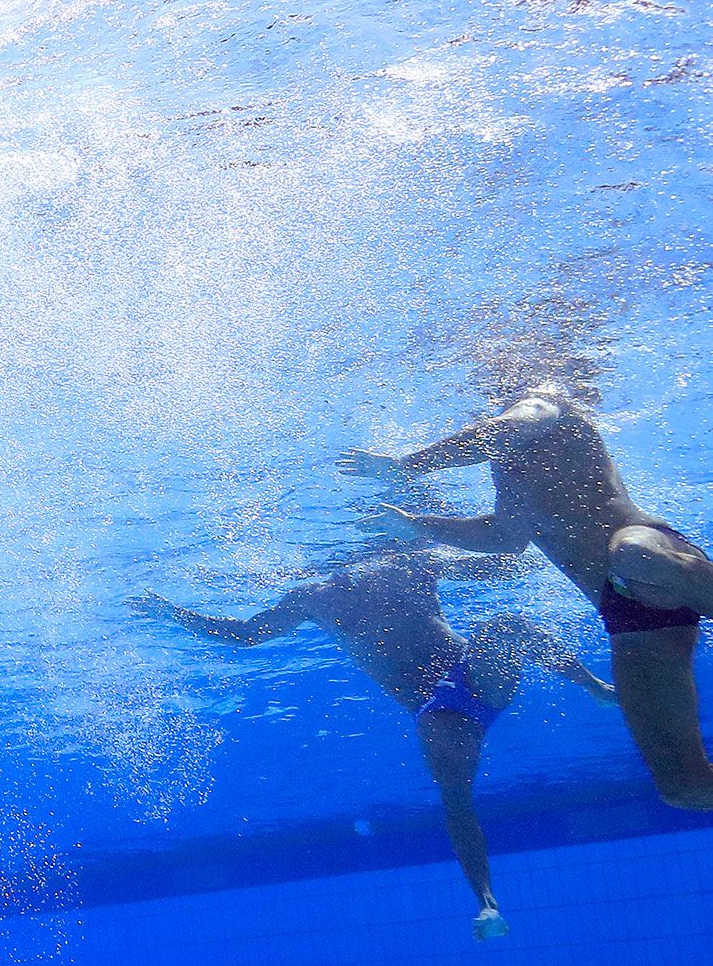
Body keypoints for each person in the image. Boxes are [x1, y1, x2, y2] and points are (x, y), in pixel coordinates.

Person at [134, 547, 613, 941]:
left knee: (506, 627)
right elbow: (244, 635)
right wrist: (170, 612)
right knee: (456, 797)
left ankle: (598, 688)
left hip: (474, 672)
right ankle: (487, 902)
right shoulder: (312, 596)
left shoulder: (413, 560)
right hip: (438, 709)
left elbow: (494, 562)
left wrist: (530, 540)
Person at [344, 383, 713, 811]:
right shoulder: (508, 473)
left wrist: (407, 466)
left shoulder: (546, 401)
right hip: (628, 617)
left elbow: (499, 431)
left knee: (632, 554)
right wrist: (417, 525)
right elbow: (504, 536)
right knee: (684, 788)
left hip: (655, 552)